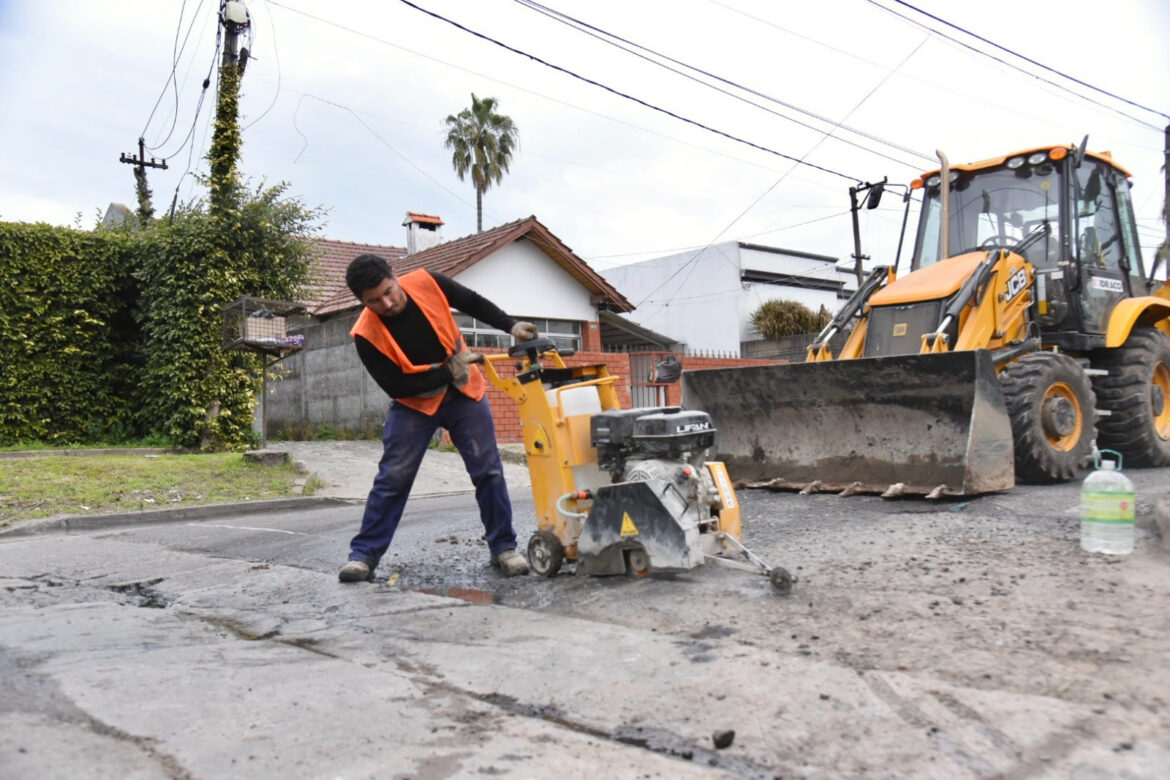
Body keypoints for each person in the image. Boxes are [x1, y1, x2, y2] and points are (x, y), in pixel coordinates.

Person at [337, 254, 538, 583]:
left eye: (389, 291)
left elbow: (471, 301)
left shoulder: (428, 282)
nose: (386, 304)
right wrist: (446, 371)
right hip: (413, 404)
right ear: (362, 301)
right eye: (374, 301)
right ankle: (363, 556)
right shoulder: (365, 335)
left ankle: (504, 547)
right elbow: (395, 386)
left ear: (395, 276)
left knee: (488, 471)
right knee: (393, 478)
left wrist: (511, 325)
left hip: (464, 393)